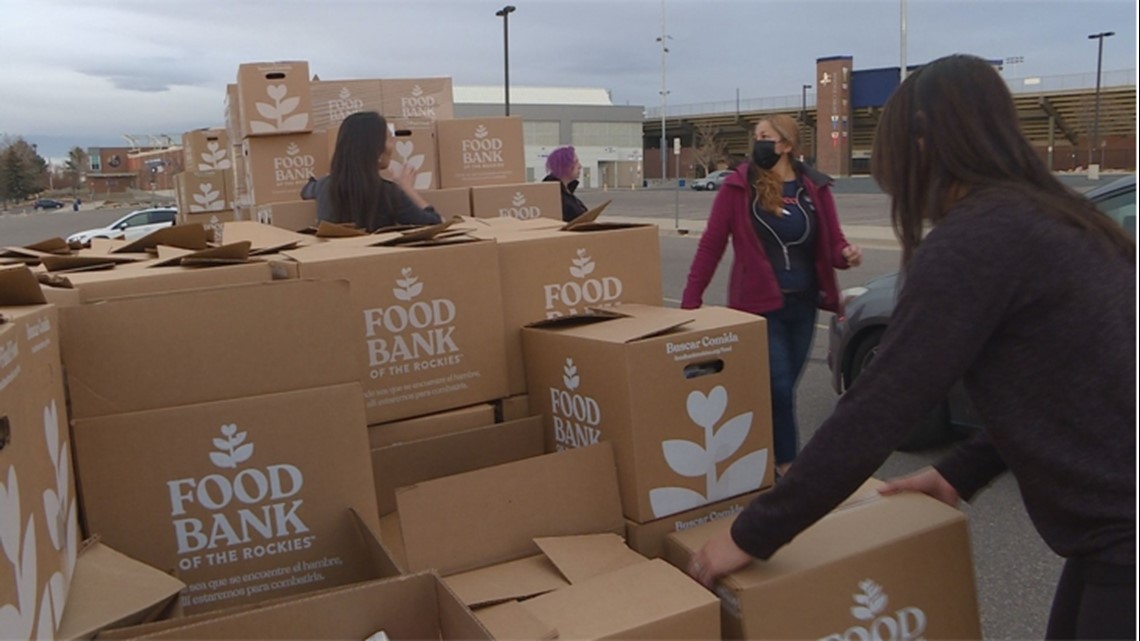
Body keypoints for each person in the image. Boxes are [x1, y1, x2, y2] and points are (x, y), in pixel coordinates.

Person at [685, 54, 1135, 640]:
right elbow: (1067, 387)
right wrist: (958, 472)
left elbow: (878, 407)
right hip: (1109, 541)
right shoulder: (1060, 219)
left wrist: (749, 535)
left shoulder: (978, 239)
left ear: (923, 144)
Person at [681, 114, 862, 477]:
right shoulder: (738, 188)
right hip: (758, 306)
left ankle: (750, 452)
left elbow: (832, 239)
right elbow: (711, 246)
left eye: (766, 136)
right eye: (756, 136)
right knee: (777, 387)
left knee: (780, 389)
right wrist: (690, 304)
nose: (758, 142)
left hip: (803, 303)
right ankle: (787, 467)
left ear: (787, 145)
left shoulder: (814, 188)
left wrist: (845, 253)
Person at [300, 111, 441, 231]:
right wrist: (408, 189)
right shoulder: (388, 193)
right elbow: (434, 223)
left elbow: (306, 191)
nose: (393, 144)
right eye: (389, 138)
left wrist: (328, 178)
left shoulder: (323, 186)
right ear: (376, 151)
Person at [542, 146, 589, 222]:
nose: (580, 166)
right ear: (565, 165)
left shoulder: (566, 191)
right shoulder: (553, 195)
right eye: (576, 162)